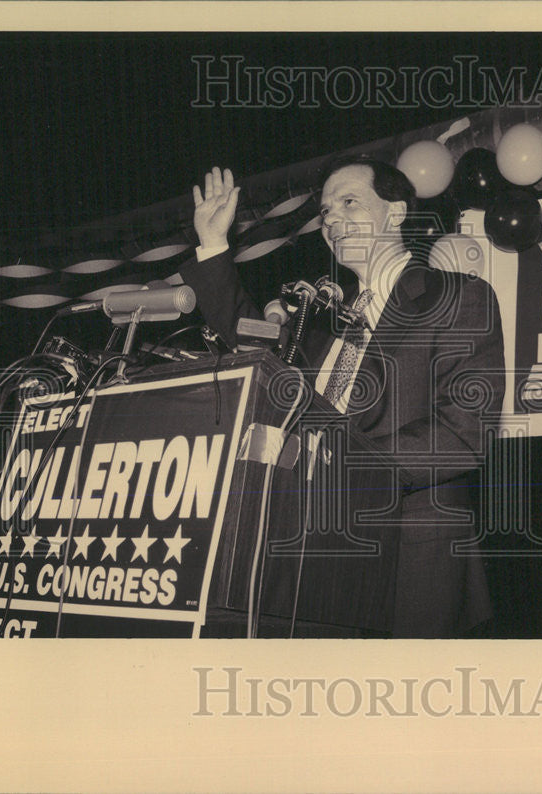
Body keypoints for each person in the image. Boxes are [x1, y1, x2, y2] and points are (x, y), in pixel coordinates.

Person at [180, 158, 505, 638]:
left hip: (411, 551)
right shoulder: (319, 320)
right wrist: (213, 244)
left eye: (348, 202)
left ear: (395, 213)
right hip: (310, 553)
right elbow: (253, 349)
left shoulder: (457, 297)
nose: (330, 218)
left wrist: (340, 465)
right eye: (326, 211)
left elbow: (463, 432)